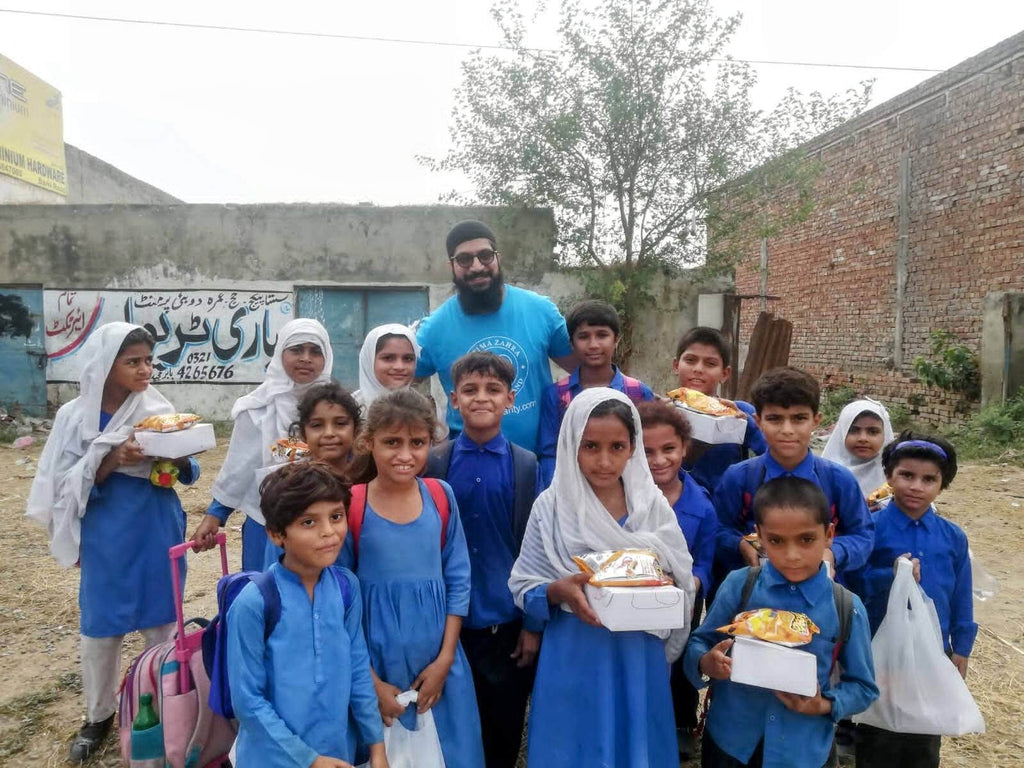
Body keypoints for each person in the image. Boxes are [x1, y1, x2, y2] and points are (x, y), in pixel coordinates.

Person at [25, 323, 201, 762]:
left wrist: (177, 456)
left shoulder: (156, 406)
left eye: (148, 360)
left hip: (156, 521)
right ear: (107, 367)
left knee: (162, 619)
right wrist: (111, 458)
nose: (146, 370)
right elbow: (63, 483)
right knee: (102, 626)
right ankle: (98, 715)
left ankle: (162, 703)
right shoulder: (74, 417)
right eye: (133, 362)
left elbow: (188, 470)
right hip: (106, 527)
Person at [509, 388, 695, 768]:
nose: (605, 461)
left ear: (634, 448)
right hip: (576, 648)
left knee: (634, 735)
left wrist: (661, 584)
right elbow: (524, 583)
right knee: (576, 741)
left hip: (638, 650)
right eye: (590, 446)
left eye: (618, 447)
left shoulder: (650, 504)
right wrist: (558, 591)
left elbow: (679, 568)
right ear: (570, 444)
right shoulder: (553, 507)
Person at [684, 476, 878, 768]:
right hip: (731, 741)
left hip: (803, 749)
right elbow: (701, 641)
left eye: (806, 539)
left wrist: (824, 704)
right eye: (776, 541)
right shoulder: (740, 586)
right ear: (759, 536)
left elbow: (863, 687)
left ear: (829, 535)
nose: (791, 555)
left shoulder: (846, 607)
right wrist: (706, 662)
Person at [340, 389, 485, 767]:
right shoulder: (351, 504)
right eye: (392, 443)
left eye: (417, 443)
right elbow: (338, 599)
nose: (405, 455)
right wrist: (369, 682)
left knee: (449, 753)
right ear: (368, 442)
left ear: (430, 444)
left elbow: (458, 579)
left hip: (438, 660)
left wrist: (445, 659)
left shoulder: (441, 496)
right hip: (374, 660)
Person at [422, 352, 541, 768]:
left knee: (503, 725)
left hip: (503, 623)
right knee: (452, 727)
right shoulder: (435, 461)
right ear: (454, 399)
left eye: (493, 390)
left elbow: (533, 549)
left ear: (510, 399)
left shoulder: (525, 465)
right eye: (470, 390)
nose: (481, 398)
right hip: (446, 623)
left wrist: (531, 622)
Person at [227, 462, 387, 768]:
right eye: (309, 522)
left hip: (338, 752)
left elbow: (357, 669)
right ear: (276, 534)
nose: (329, 532)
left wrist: (376, 746)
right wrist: (309, 760)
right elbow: (248, 702)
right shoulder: (256, 602)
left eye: (336, 517)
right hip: (273, 759)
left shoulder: (345, 588)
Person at [846, 432, 974, 768]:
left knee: (925, 733)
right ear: (889, 477)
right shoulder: (869, 530)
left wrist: (961, 646)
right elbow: (853, 585)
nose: (917, 486)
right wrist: (889, 576)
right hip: (879, 647)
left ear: (942, 485)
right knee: (878, 733)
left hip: (931, 649)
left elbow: (961, 594)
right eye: (907, 475)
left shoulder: (952, 537)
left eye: (929, 479)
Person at [415, 219, 576, 452]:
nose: (477, 266)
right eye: (464, 259)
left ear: (498, 258)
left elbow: (584, 370)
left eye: (485, 255)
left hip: (541, 463)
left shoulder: (540, 310)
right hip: (467, 466)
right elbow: (395, 380)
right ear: (451, 266)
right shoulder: (434, 329)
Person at [190, 318, 333, 570]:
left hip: (325, 519)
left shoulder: (336, 405)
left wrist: (290, 448)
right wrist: (216, 514)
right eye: (296, 350)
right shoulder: (258, 408)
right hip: (264, 519)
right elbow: (241, 464)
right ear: (280, 354)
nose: (306, 358)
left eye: (315, 351)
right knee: (263, 592)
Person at [713, 367, 874, 585]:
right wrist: (739, 544)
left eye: (799, 418)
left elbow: (863, 535)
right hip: (756, 596)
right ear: (758, 422)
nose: (787, 430)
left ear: (816, 421)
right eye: (775, 419)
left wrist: (834, 553)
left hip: (821, 596)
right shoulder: (739, 478)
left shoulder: (838, 480)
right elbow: (718, 529)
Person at [637, 399, 717, 761]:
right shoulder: (627, 496)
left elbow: (705, 561)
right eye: (647, 451)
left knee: (681, 659)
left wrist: (694, 583)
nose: (659, 460)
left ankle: (682, 722)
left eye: (669, 449)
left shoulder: (701, 504)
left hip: (683, 597)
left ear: (685, 447)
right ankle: (638, 715)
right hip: (635, 596)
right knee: (641, 656)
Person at [537, 300, 655, 487]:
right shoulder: (557, 395)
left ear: (616, 339)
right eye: (583, 337)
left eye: (602, 335)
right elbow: (550, 453)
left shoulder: (638, 393)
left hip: (626, 495)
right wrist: (556, 495)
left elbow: (648, 448)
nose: (593, 345)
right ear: (572, 343)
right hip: (571, 494)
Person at [263, 381, 362, 568]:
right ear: (303, 433)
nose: (329, 433)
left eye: (340, 424)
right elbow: (276, 560)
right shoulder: (293, 489)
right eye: (317, 425)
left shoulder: (367, 483)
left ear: (355, 430)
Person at [673, 327, 766, 492]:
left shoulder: (740, 412)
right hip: (675, 509)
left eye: (710, 363)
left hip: (728, 510)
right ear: (676, 365)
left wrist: (748, 426)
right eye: (690, 360)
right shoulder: (664, 411)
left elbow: (775, 458)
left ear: (725, 373)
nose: (698, 369)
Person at [821, 398, 894, 500]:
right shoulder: (825, 474)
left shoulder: (895, 474)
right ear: (842, 433)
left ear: (885, 434)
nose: (863, 439)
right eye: (853, 431)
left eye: (873, 432)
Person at [353, 323, 419, 411]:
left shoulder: (423, 408)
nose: (399, 367)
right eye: (388, 358)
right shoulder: (351, 408)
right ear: (370, 360)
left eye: (408, 359)